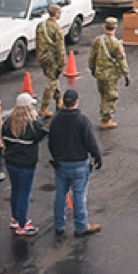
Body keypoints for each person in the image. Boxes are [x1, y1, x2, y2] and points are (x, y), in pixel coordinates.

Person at [48, 89, 103, 237]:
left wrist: (56, 157)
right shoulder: (82, 120)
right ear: (76, 102)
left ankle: (59, 224)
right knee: (79, 195)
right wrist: (97, 156)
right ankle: (81, 226)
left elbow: (51, 143)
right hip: (78, 164)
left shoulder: (55, 120)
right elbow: (90, 142)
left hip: (61, 164)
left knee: (60, 194)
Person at [2, 93, 50, 236]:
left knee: (15, 191)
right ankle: (23, 225)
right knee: (24, 194)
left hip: (10, 162)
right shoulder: (33, 125)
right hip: (26, 165)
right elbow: (44, 133)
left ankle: (15, 218)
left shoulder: (7, 122)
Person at [88, 18, 130, 129]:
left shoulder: (98, 40)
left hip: (100, 74)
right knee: (111, 97)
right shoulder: (116, 43)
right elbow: (122, 61)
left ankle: (103, 115)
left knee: (103, 95)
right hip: (111, 75)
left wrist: (92, 69)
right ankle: (106, 120)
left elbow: (92, 56)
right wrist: (126, 75)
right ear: (116, 27)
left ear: (104, 26)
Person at [36, 5, 67, 116]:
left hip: (43, 57)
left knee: (53, 79)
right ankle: (43, 108)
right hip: (53, 59)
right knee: (51, 82)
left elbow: (38, 43)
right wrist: (62, 63)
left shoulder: (41, 25)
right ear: (56, 13)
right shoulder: (56, 28)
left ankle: (59, 100)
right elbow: (60, 48)